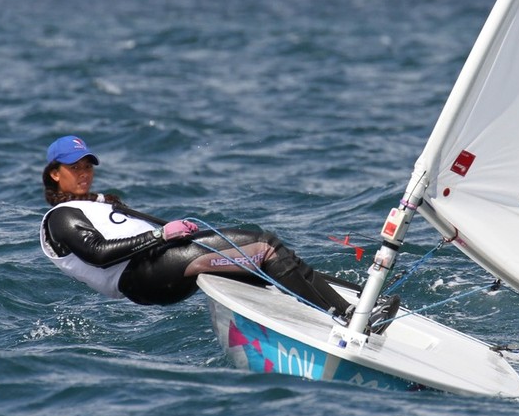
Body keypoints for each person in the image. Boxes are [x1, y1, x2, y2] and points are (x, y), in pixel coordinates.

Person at [39, 135, 398, 332]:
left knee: (264, 264)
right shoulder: (60, 217)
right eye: (74, 167)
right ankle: (352, 316)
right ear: (55, 173)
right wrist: (161, 236)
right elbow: (99, 253)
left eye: (87, 165)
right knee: (265, 247)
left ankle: (360, 301)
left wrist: (171, 234)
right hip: (142, 276)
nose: (84, 172)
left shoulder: (99, 203)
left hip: (161, 264)